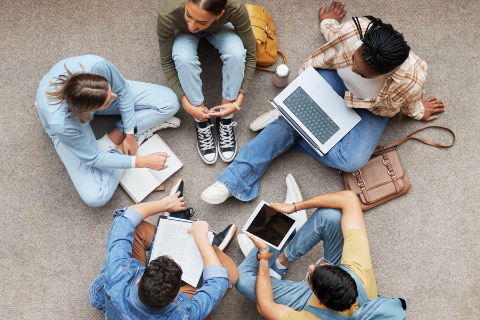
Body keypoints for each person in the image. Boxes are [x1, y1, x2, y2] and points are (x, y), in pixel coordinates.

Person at [200, 1, 445, 204]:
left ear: (385, 72)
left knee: (350, 161)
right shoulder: (356, 31)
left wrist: (418, 111)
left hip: (372, 107)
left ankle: (289, 120)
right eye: (354, 60)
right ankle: (232, 179)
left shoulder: (411, 81)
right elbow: (334, 36)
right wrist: (328, 22)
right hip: (332, 79)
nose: (352, 68)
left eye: (360, 71)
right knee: (300, 125)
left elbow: (409, 102)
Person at [36, 55, 180, 207]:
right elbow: (93, 158)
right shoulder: (62, 125)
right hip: (69, 123)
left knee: (170, 102)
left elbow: (122, 90)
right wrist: (142, 162)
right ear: (87, 112)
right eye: (108, 100)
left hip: (89, 102)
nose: (115, 96)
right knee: (96, 197)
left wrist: (130, 133)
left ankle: (118, 136)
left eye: (109, 90)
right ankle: (120, 146)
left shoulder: (96, 65)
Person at [89, 183, 239, 320]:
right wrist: (202, 240)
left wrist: (165, 203)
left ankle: (177, 229)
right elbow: (219, 281)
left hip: (112, 306)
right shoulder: (184, 315)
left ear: (139, 281)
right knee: (230, 272)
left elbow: (124, 219)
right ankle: (206, 245)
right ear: (175, 298)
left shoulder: (118, 275)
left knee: (137, 229)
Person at [235, 190, 380, 320]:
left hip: (321, 311)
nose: (310, 266)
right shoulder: (359, 267)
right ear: (345, 271)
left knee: (243, 280)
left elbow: (264, 307)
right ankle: (280, 263)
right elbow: (349, 198)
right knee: (331, 216)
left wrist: (264, 254)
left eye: (309, 275)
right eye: (319, 264)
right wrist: (295, 207)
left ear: (318, 301)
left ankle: (276, 235)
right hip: (340, 296)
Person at [157, 0, 256, 164]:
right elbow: (167, 61)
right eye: (189, 15)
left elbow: (251, 53)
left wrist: (237, 102)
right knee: (183, 59)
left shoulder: (235, 8)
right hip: (182, 33)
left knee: (237, 54)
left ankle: (226, 115)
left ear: (220, 14)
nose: (193, 25)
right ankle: (200, 117)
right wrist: (188, 106)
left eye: (201, 22)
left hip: (220, 27)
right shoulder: (169, 14)